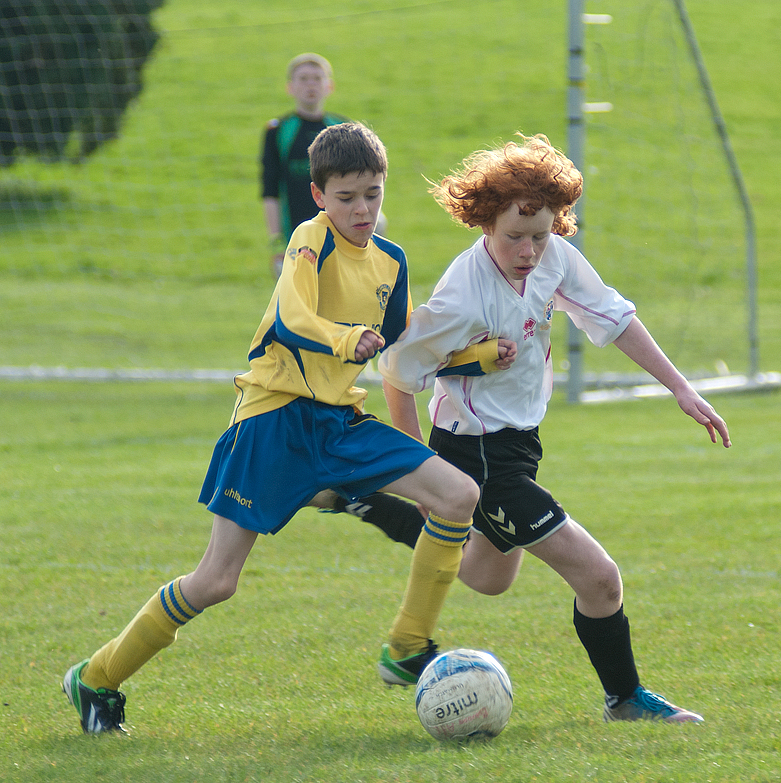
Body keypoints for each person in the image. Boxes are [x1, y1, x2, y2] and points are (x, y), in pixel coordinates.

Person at [62, 122, 479, 734]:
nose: (361, 209)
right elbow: (290, 316)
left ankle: (407, 646)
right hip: (272, 421)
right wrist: (344, 340)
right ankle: (95, 677)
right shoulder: (310, 238)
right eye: (346, 197)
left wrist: (476, 355)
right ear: (318, 196)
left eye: (372, 194)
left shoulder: (391, 261)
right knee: (216, 581)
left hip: (338, 423)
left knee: (459, 494)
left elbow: (405, 342)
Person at [376, 133, 732, 722]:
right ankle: (626, 699)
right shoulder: (462, 296)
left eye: (540, 234)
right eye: (515, 236)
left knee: (488, 577)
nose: (529, 251)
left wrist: (681, 387)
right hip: (475, 454)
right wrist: (421, 472)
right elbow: (396, 372)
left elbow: (613, 316)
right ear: (485, 223)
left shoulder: (554, 258)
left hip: (520, 446)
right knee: (599, 577)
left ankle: (364, 502)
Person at [260, 52, 348, 278]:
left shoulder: (343, 128)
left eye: (317, 78)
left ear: (329, 86)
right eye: (303, 79)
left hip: (339, 235)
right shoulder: (278, 131)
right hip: (295, 239)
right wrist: (276, 241)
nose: (311, 85)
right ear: (290, 87)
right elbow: (270, 190)